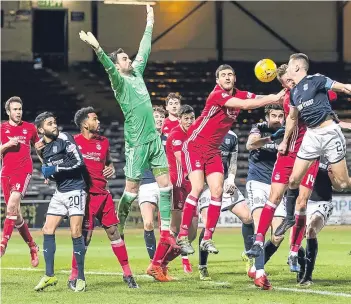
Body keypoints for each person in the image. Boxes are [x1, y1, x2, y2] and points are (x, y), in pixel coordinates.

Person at [79, 5, 174, 282]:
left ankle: (166, 231)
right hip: (136, 143)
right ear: (118, 64)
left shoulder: (138, 71)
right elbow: (108, 67)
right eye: (123, 58)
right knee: (131, 190)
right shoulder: (119, 81)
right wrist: (98, 49)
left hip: (154, 140)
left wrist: (150, 20)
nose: (128, 59)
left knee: (165, 184)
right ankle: (117, 222)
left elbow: (145, 48)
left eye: (127, 57)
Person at [176, 64, 284, 255]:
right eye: (223, 75)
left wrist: (277, 97)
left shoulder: (239, 93)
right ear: (217, 80)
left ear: (234, 78)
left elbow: (255, 98)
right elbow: (245, 105)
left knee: (218, 190)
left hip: (212, 150)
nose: (227, 77)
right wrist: (273, 98)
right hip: (194, 145)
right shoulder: (217, 95)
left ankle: (207, 238)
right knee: (198, 187)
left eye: (230, 74)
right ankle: (183, 235)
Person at [246, 63, 329, 273]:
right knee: (273, 197)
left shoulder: (310, 89)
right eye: (284, 83)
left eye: (290, 81)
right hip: (289, 154)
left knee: (302, 203)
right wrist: (277, 139)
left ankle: (293, 252)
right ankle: (257, 242)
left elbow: (330, 93)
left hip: (309, 154)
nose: (288, 85)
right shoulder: (287, 98)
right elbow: (289, 121)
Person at [279, 53, 351, 269]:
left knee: (343, 184)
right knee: (293, 180)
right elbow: (292, 119)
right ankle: (290, 218)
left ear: (298, 68)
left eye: (290, 66)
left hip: (329, 133)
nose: (287, 70)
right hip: (311, 136)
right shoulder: (294, 93)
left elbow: (343, 87)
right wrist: (284, 142)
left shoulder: (317, 79)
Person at [67, 107, 138, 290]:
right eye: (94, 119)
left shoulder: (104, 142)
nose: (98, 122)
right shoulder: (73, 143)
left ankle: (128, 274)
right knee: (85, 237)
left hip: (103, 195)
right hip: (85, 196)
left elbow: (108, 162)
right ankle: (74, 276)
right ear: (85, 124)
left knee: (114, 233)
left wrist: (111, 168)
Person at [33, 112, 87, 292]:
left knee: (75, 232)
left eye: (54, 122)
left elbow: (79, 162)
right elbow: (50, 168)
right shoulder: (44, 148)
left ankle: (80, 278)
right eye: (50, 124)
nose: (54, 125)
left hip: (75, 189)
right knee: (47, 229)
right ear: (41, 130)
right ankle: (49, 275)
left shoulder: (65, 137)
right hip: (60, 191)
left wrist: (55, 168)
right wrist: (48, 173)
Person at [198, 129, 253, 281]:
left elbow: (233, 162)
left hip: (225, 184)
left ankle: (249, 256)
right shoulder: (202, 132)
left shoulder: (232, 136)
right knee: (209, 224)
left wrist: (231, 179)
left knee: (248, 217)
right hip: (206, 186)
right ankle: (202, 266)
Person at [245, 104, 286, 289]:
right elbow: (250, 144)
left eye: (280, 115)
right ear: (267, 117)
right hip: (258, 182)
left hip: (277, 186)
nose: (277, 119)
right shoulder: (259, 127)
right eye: (274, 115)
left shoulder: (288, 131)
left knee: (278, 235)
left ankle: (256, 266)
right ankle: (260, 273)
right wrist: (270, 138)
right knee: (259, 223)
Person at [0, 96, 40, 266]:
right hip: (6, 173)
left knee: (11, 206)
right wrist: (8, 144)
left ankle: (2, 246)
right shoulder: (2, 129)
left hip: (23, 171)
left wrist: (46, 167)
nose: (18, 112)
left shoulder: (30, 128)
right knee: (16, 216)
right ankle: (32, 246)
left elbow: (39, 149)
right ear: (8, 111)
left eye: (20, 109)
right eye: (15, 109)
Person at [162, 105, 197, 277]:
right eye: (186, 118)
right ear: (180, 119)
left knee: (192, 231)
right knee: (175, 228)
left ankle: (172, 259)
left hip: (192, 184)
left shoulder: (196, 133)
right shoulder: (175, 134)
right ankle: (161, 263)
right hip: (178, 184)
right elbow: (181, 158)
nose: (190, 121)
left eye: (192, 118)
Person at [296, 157, 339, 287]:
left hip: (322, 202)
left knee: (311, 230)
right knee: (295, 238)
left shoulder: (331, 159)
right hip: (303, 202)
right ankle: (303, 266)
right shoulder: (303, 155)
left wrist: (333, 175)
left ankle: (307, 277)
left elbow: (339, 186)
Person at [138, 106, 166, 262]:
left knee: (167, 229)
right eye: (156, 116)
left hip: (165, 185)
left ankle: (162, 262)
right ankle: (154, 262)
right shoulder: (143, 139)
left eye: (162, 117)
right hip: (147, 184)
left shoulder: (169, 139)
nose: (160, 119)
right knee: (148, 223)